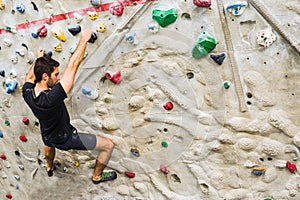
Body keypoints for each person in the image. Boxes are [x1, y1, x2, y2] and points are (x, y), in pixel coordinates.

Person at [22, 29, 117, 184]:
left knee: (48, 146)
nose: (58, 78)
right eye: (56, 75)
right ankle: (97, 176)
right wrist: (84, 39)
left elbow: (29, 77)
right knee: (108, 145)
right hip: (65, 138)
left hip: (47, 134)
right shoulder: (53, 97)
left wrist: (39, 61)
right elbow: (73, 65)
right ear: (45, 77)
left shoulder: (27, 93)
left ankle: (49, 167)